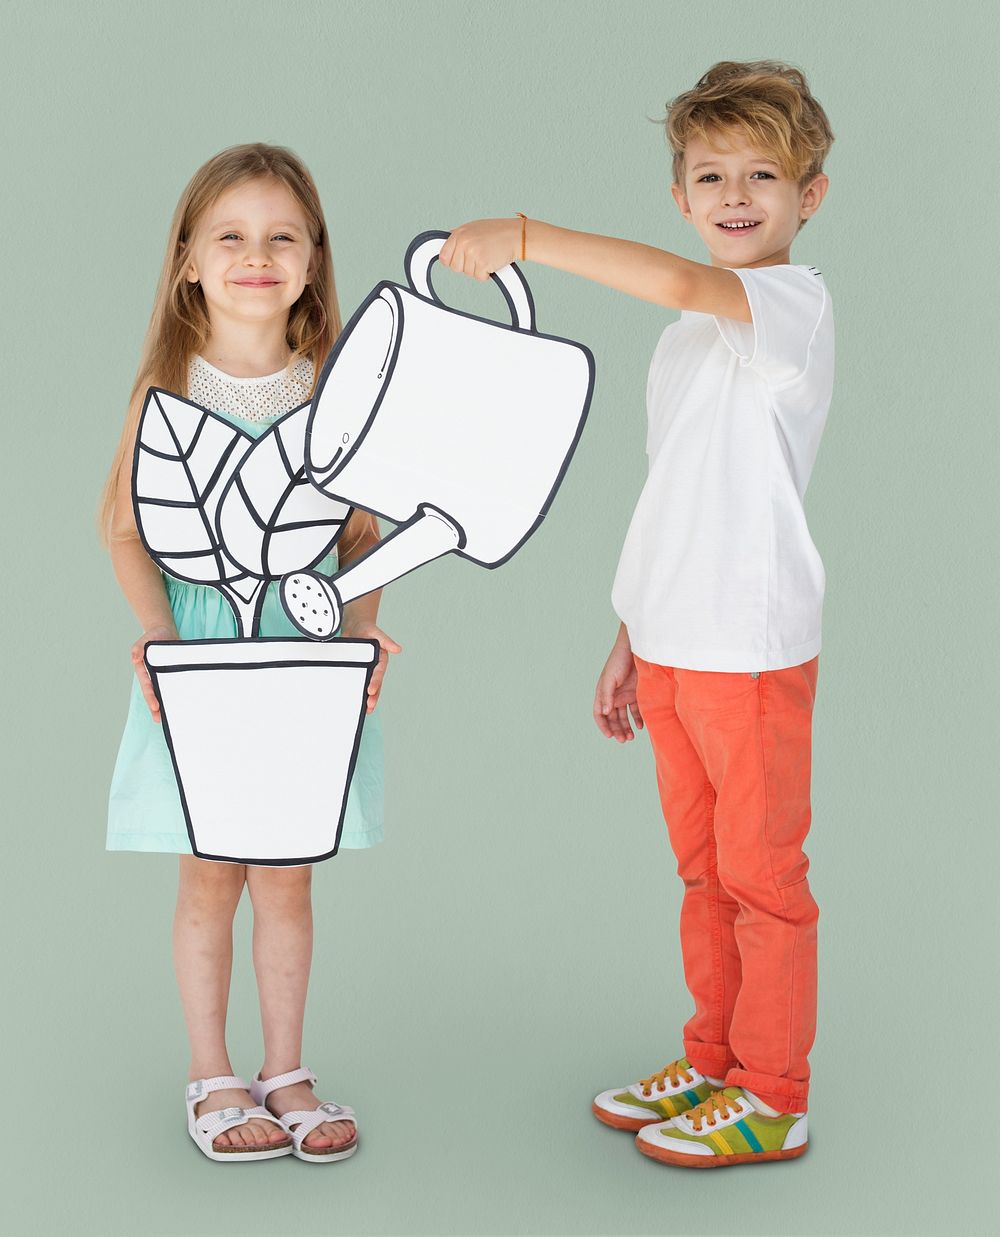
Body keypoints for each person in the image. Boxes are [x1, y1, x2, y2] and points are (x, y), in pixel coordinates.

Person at [439, 60, 834, 1167]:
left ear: (811, 194)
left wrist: (524, 232)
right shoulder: (687, 345)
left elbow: (674, 284)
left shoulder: (788, 307)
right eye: (709, 175)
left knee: (764, 881)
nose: (736, 195)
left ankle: (773, 1090)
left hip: (749, 650)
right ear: (679, 194)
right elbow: (678, 495)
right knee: (704, 877)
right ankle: (712, 1061)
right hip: (673, 641)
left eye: (764, 172)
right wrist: (628, 635)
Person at [98, 143, 400, 1163]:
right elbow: (124, 528)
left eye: (280, 237)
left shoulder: (337, 394)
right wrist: (155, 632)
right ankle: (212, 1073)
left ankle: (286, 1069)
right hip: (202, 656)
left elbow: (362, 534)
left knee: (286, 872)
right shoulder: (168, 395)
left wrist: (359, 633)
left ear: (312, 260)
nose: (255, 255)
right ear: (188, 260)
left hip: (304, 659)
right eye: (229, 235)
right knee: (208, 871)